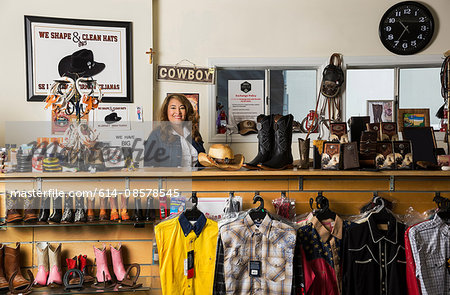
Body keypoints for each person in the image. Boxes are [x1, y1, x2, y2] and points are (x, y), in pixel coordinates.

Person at [144, 94, 205, 167]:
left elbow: (203, 161)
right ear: (166, 111)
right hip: (170, 178)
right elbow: (148, 166)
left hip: (196, 178)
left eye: (182, 108)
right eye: (173, 108)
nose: (178, 112)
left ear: (187, 111)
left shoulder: (194, 133)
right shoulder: (157, 134)